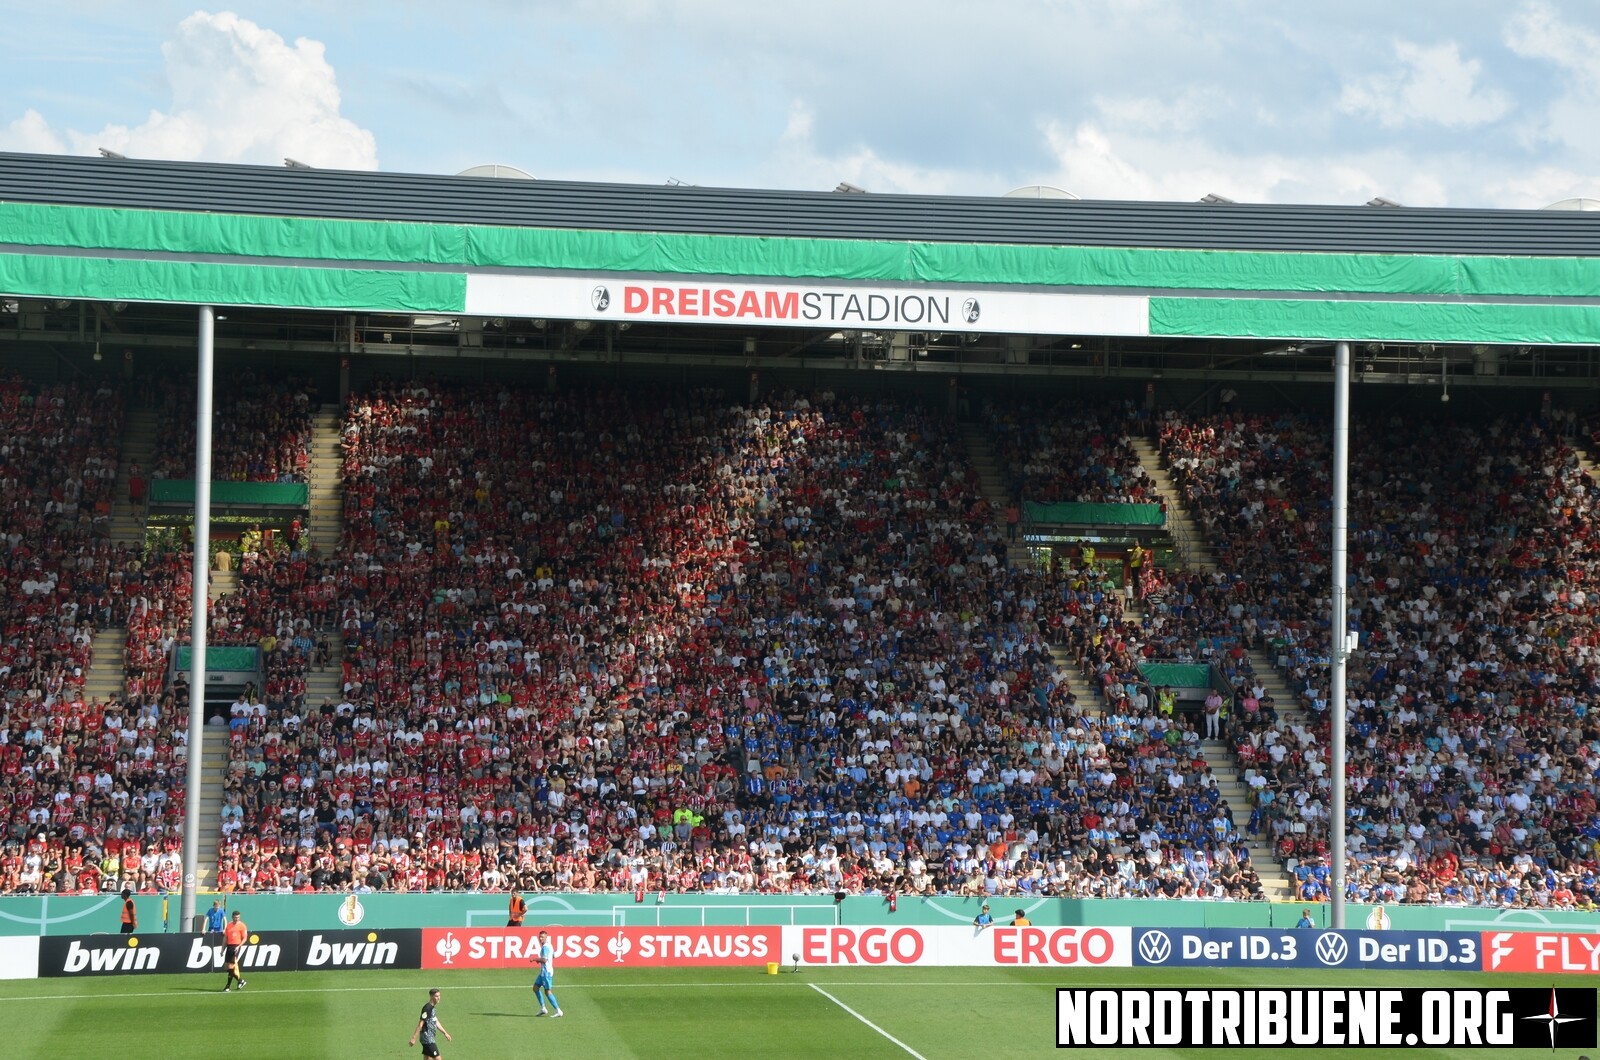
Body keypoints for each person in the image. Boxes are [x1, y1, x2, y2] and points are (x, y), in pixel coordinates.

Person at [410, 988, 452, 1057]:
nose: (439, 998)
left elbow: (436, 1021)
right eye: (436, 996)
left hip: (431, 1037)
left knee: (427, 1058)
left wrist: (445, 1033)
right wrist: (414, 1038)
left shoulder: (432, 1008)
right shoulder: (427, 1008)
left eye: (439, 996)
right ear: (431, 996)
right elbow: (420, 1024)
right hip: (427, 1038)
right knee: (438, 1058)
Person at [531, 929, 563, 1017]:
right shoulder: (549, 945)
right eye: (540, 937)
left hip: (546, 972)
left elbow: (545, 960)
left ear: (546, 937)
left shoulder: (545, 947)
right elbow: (553, 956)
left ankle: (558, 1011)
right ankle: (543, 1008)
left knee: (547, 991)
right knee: (535, 987)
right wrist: (541, 961)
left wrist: (535, 959)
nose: (540, 938)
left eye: (542, 937)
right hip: (543, 972)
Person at [222, 910, 250, 992]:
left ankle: (227, 987)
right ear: (232, 917)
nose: (237, 919)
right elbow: (225, 938)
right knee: (226, 967)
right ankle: (240, 981)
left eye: (238, 917)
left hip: (236, 946)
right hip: (229, 946)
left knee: (231, 967)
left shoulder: (242, 926)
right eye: (235, 917)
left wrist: (239, 946)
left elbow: (245, 938)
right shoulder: (229, 925)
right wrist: (222, 949)